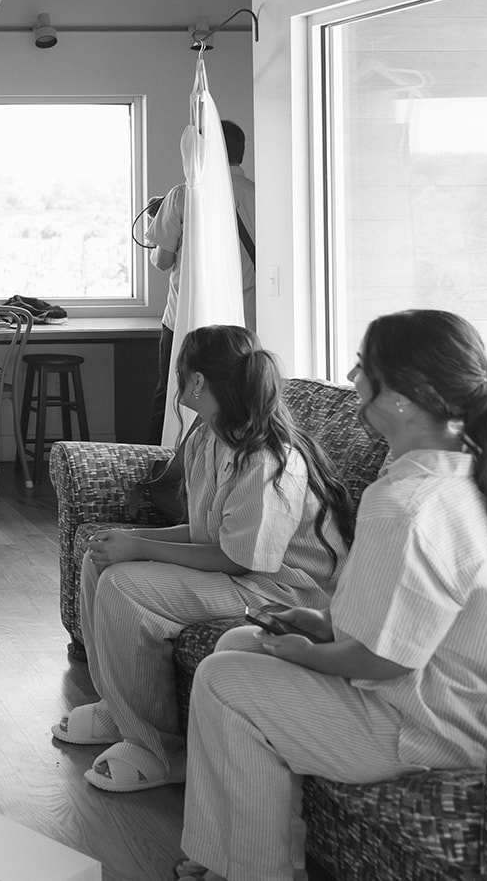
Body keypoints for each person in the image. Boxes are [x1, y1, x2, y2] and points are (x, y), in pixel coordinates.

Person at [177, 310, 487, 881]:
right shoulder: (456, 477)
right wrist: (322, 627)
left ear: (403, 398)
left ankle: (252, 871)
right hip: (437, 698)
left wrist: (308, 653)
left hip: (426, 729)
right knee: (239, 639)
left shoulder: (411, 503)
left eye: (363, 368)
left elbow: (383, 657)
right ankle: (232, 853)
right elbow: (415, 619)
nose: (350, 377)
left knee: (223, 681)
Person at [54, 325, 352, 795]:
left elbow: (239, 559)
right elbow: (202, 533)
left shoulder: (269, 460)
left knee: (124, 586)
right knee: (101, 561)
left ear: (196, 383)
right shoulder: (208, 438)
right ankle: (119, 706)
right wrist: (132, 538)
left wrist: (142, 548)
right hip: (245, 570)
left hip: (281, 590)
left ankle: (158, 751)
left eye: (179, 373)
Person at [146, 119, 256, 444]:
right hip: (242, 320)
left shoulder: (183, 195)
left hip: (185, 318)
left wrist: (159, 224)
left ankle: (161, 469)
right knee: (236, 395)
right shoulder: (261, 195)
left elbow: (162, 261)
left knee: (171, 396)